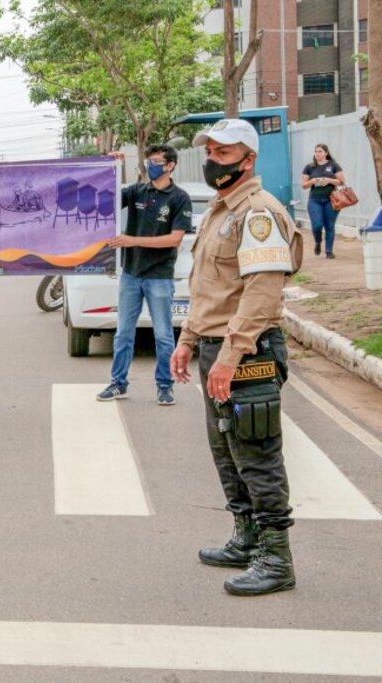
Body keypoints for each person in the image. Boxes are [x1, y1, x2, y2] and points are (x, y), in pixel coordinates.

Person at [170, 119, 301, 597]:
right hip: (215, 347)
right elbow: (210, 289)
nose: (213, 161)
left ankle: (276, 557)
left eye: (224, 154)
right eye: (211, 152)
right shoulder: (219, 211)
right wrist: (188, 339)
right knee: (227, 450)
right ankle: (245, 537)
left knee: (257, 454)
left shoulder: (259, 213)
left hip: (247, 352)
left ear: (249, 159)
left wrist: (229, 356)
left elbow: (260, 294)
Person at [97, 144, 193, 406]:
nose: (151, 165)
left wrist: (133, 241)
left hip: (159, 276)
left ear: (170, 165)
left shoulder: (179, 198)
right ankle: (119, 383)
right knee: (123, 333)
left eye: (157, 161)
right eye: (149, 160)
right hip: (131, 274)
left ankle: (165, 386)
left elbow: (174, 239)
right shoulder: (138, 190)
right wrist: (111, 167)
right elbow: (107, 197)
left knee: (163, 334)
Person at [300, 143, 346, 259]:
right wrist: (313, 181)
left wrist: (329, 180)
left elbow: (341, 181)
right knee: (317, 225)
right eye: (316, 151)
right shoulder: (309, 167)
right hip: (314, 200)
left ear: (326, 153)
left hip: (331, 199)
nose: (317, 154)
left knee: (329, 226)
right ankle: (317, 242)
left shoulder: (334, 165)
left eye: (320, 151)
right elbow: (304, 185)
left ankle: (329, 251)